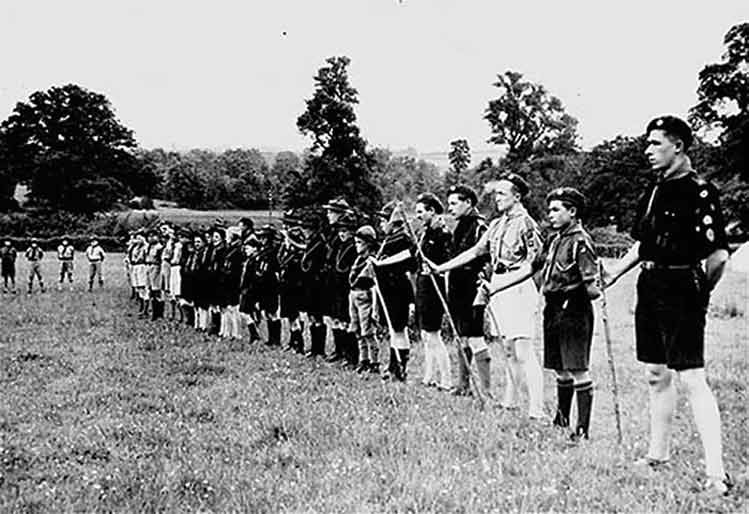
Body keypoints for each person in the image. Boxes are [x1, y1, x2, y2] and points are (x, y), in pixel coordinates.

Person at [603, 116, 732, 495]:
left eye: (655, 143)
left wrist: (698, 294)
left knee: (692, 377)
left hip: (681, 284)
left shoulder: (700, 191)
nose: (647, 150)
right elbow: (643, 244)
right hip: (651, 282)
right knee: (655, 375)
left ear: (678, 145)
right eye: (647, 143)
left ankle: (716, 473)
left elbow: (719, 256)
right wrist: (614, 275)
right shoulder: (654, 189)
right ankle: (657, 455)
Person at [486, 187, 600, 441]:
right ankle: (561, 420)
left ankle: (581, 430)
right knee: (559, 367)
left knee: (577, 368)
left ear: (573, 211)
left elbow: (592, 286)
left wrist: (598, 286)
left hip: (574, 308)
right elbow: (531, 268)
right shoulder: (553, 239)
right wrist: (496, 287)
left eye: (557, 210)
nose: (550, 214)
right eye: (549, 209)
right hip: (552, 306)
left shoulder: (580, 241)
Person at [435, 176, 546, 417]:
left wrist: (505, 285)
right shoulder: (496, 224)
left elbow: (534, 264)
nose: (497, 198)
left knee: (524, 349)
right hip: (498, 286)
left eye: (502, 194)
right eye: (495, 194)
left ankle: (537, 408)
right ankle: (511, 401)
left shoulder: (526, 223)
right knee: (507, 348)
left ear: (517, 196)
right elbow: (475, 251)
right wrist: (441, 268)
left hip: (517, 286)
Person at [432, 185, 490, 396]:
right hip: (457, 289)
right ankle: (463, 385)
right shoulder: (460, 226)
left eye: (455, 203)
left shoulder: (479, 227)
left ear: (469, 203)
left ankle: (485, 390)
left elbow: (484, 258)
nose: (450, 208)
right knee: (461, 337)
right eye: (449, 204)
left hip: (472, 290)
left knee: (475, 337)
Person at [371, 202, 416, 382]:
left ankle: (399, 368)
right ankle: (393, 365)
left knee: (398, 329)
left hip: (397, 290)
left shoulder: (401, 239)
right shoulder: (390, 240)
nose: (381, 225)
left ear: (393, 222)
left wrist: (380, 264)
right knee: (393, 329)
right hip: (388, 290)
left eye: (384, 221)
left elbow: (408, 258)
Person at [327, 213, 358, 367]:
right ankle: (339, 351)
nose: (341, 234)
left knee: (347, 321)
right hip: (335, 286)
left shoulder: (353, 247)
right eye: (340, 231)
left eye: (345, 231)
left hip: (346, 287)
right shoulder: (338, 245)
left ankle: (351, 356)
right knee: (336, 319)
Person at [348, 225, 380, 374]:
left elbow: (375, 286)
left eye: (360, 243)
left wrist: (375, 308)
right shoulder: (358, 260)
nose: (357, 246)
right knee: (357, 330)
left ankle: (374, 361)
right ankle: (363, 359)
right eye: (356, 243)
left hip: (365, 296)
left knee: (368, 331)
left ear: (368, 244)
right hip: (354, 295)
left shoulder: (371, 261)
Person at [278, 210, 307, 353]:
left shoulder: (298, 237)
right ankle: (293, 339)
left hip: (296, 281)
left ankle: (299, 342)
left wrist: (290, 240)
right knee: (288, 314)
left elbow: (302, 251)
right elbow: (280, 257)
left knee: (294, 314)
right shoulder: (286, 239)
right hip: (286, 280)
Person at [300, 213, 329, 358]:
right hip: (309, 284)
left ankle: (320, 349)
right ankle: (314, 347)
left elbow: (312, 265)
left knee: (317, 317)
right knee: (311, 316)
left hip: (317, 284)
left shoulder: (319, 243)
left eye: (306, 228)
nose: (304, 231)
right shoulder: (312, 242)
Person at [221, 226, 245, 339]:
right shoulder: (230, 249)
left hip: (233, 281)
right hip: (227, 280)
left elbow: (236, 269)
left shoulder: (238, 250)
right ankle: (228, 331)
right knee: (228, 307)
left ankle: (237, 333)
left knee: (234, 308)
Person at [144, 230, 164, 320]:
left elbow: (160, 260)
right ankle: (152, 310)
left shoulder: (159, 247)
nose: (151, 238)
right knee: (150, 289)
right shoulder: (149, 247)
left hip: (156, 267)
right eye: (149, 236)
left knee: (156, 290)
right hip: (149, 266)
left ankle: (158, 313)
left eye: (153, 236)